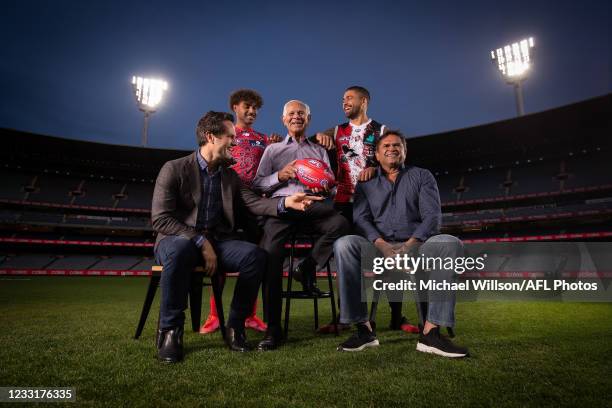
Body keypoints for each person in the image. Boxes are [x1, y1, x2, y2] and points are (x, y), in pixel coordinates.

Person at [152, 111, 321, 362]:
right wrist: (200, 241)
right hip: (176, 239)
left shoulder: (230, 176)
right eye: (231, 137)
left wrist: (286, 201)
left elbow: (254, 203)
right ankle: (170, 331)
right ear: (211, 137)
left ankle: (235, 326)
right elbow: (161, 219)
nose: (236, 142)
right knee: (180, 249)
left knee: (255, 256)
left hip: (217, 241)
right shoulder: (174, 168)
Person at [333, 130, 469, 357]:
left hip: (417, 246)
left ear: (405, 151)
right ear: (376, 154)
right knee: (344, 244)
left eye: (397, 145)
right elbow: (361, 219)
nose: (392, 149)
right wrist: (383, 246)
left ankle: (431, 333)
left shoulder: (422, 176)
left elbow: (432, 218)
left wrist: (408, 246)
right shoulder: (365, 184)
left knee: (450, 243)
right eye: (386, 146)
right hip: (378, 248)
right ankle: (363, 330)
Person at [314, 86, 417, 334]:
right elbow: (310, 140)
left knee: (390, 257)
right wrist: (319, 136)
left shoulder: (381, 130)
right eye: (342, 99)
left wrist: (375, 167)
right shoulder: (337, 130)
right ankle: (347, 317)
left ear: (364, 101)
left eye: (349, 97)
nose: (344, 102)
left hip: (375, 203)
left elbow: (394, 160)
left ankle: (396, 316)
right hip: (342, 202)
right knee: (345, 260)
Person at [252, 100, 350, 350]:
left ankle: (307, 267)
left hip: (312, 206)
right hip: (282, 208)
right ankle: (274, 328)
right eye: (292, 114)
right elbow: (257, 184)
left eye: (301, 114)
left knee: (340, 223)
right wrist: (280, 176)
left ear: (308, 119)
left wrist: (327, 186)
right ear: (284, 120)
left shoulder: (318, 151)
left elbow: (330, 183)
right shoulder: (273, 150)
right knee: (270, 256)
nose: (296, 117)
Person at [200, 89, 281, 335]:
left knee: (255, 259)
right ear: (235, 107)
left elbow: (268, 173)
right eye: (247, 106)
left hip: (254, 206)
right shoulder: (225, 135)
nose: (252, 111)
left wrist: (275, 147)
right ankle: (215, 315)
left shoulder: (264, 139)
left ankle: (250, 315)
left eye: (256, 108)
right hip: (226, 205)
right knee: (221, 260)